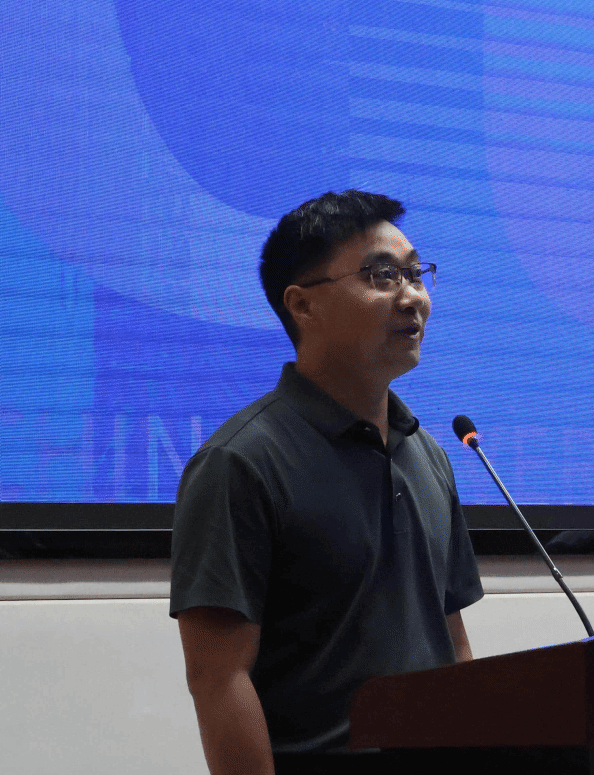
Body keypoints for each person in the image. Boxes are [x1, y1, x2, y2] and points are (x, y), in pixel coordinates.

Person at [171, 190, 482, 773]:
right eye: (383, 275)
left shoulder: (429, 455)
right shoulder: (240, 463)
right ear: (303, 305)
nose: (412, 296)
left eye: (416, 273)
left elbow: (452, 641)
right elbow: (218, 679)